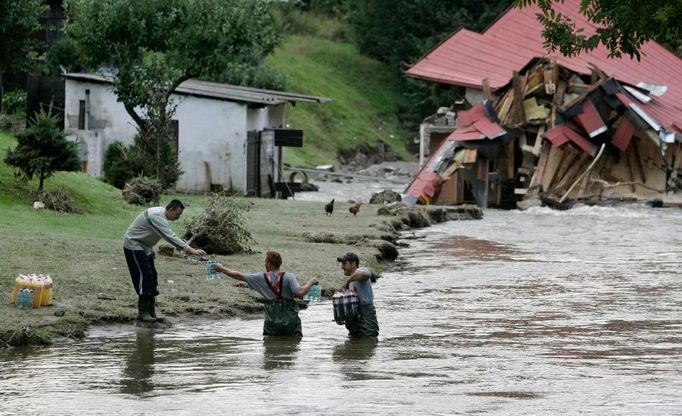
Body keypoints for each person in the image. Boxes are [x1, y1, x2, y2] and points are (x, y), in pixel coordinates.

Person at [123, 199, 207, 323]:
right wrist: (192, 251)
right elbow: (169, 236)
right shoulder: (156, 215)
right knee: (145, 276)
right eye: (177, 214)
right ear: (171, 209)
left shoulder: (161, 215)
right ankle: (143, 313)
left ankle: (151, 311)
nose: (178, 217)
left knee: (153, 276)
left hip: (145, 247)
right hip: (134, 245)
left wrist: (150, 247)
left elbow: (148, 230)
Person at [212, 251, 318, 337]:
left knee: (269, 345)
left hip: (272, 320)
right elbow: (299, 293)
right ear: (279, 263)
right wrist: (310, 283)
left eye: (265, 261)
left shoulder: (260, 277)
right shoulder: (289, 276)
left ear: (269, 263)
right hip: (290, 320)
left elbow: (239, 275)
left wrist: (222, 269)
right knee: (292, 348)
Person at [337, 252, 379, 338]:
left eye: (344, 264)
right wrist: (341, 316)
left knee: (368, 341)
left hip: (366, 314)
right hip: (353, 318)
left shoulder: (362, 270)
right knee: (354, 340)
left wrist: (347, 282)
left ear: (353, 264)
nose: (342, 267)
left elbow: (366, 274)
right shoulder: (351, 282)